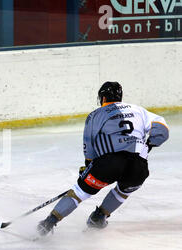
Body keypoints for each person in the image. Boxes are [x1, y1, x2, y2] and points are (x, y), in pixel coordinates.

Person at [37, 81, 169, 236]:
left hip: (109, 164)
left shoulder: (95, 115)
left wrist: (88, 165)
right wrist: (149, 145)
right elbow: (163, 130)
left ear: (103, 97)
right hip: (138, 168)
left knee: (79, 192)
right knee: (122, 191)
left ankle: (48, 223)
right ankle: (99, 217)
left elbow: (89, 144)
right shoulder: (139, 110)